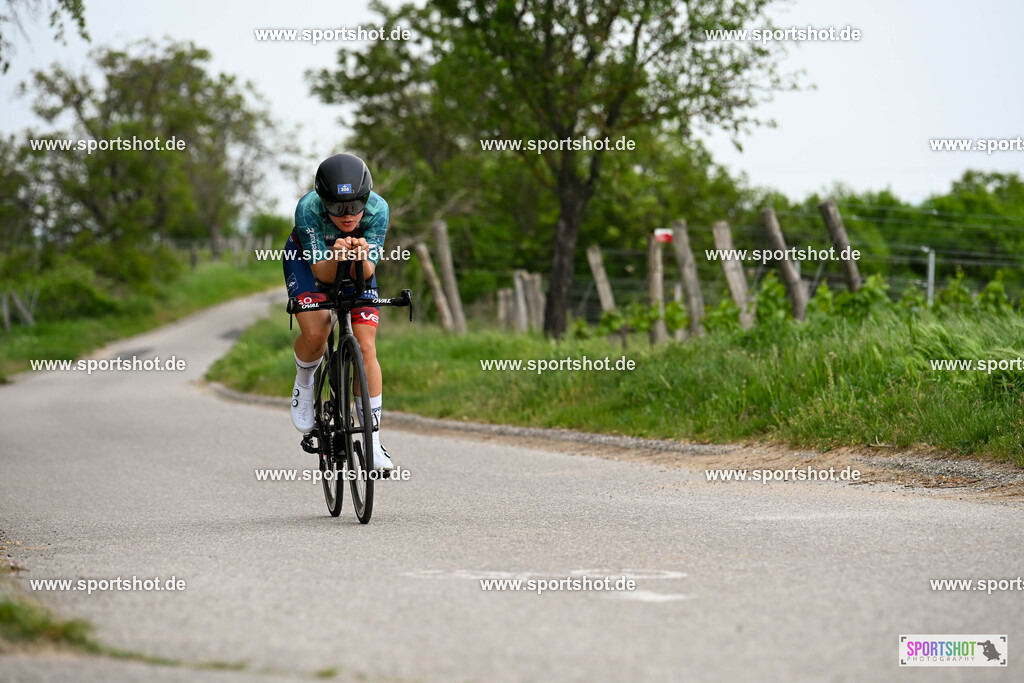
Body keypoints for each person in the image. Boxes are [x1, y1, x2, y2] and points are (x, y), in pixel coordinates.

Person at [282, 153, 393, 470]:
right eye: (336, 208)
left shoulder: (378, 210)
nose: (348, 216)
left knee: (366, 345)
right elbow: (322, 276)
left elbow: (368, 271)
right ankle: (304, 381)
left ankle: (372, 441)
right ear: (323, 201)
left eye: (356, 206)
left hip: (357, 266)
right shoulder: (308, 209)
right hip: (309, 263)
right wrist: (336, 255)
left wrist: (358, 257)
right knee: (317, 331)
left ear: (366, 199)